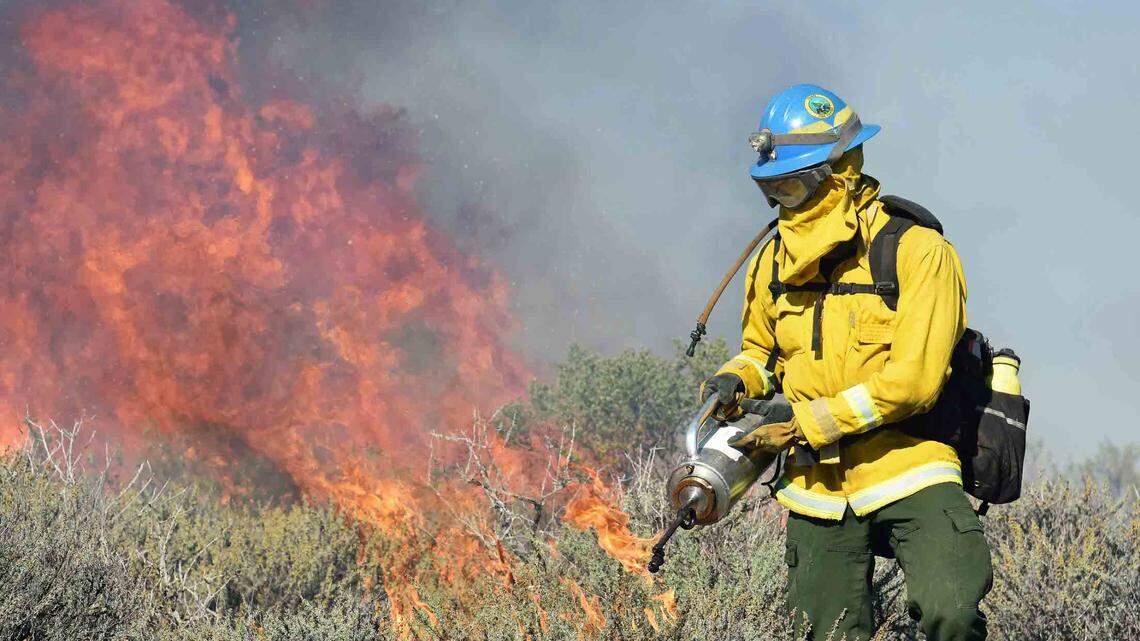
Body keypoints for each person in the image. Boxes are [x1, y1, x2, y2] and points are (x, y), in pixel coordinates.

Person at [701, 84, 993, 640]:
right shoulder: (771, 264)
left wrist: (804, 425)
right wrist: (735, 378)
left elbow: (913, 384)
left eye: (794, 184)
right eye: (773, 189)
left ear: (841, 171)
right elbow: (762, 350)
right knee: (828, 632)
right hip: (819, 488)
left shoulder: (918, 252)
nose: (784, 201)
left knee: (949, 613)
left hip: (911, 467)